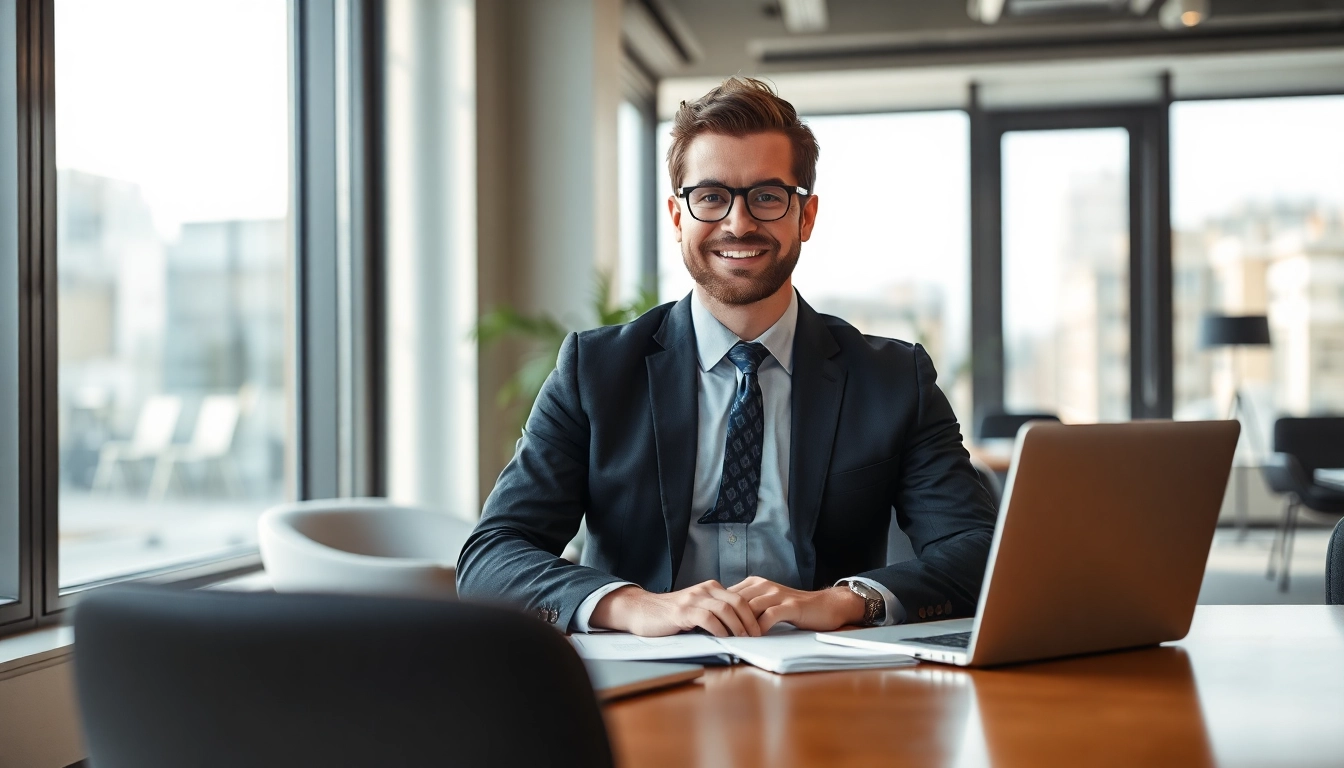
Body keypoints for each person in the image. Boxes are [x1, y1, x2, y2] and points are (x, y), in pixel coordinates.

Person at [457, 77, 996, 638]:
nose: (739, 223)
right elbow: (492, 556)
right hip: (645, 679)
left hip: (828, 678)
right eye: (711, 197)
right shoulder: (594, 373)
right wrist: (637, 605)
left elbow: (979, 550)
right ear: (676, 216)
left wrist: (845, 601)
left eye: (767, 196)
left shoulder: (891, 380)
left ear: (804, 217)